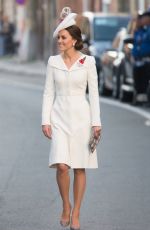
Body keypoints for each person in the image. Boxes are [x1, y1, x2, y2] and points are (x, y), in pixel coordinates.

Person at [41, 7, 102, 230]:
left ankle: (76, 213)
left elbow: (93, 93)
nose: (59, 40)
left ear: (75, 40)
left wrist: (97, 122)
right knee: (62, 166)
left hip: (82, 118)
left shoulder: (88, 62)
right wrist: (45, 120)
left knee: (79, 167)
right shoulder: (52, 62)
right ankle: (66, 205)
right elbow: (48, 92)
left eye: (63, 37)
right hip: (58, 117)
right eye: (58, 37)